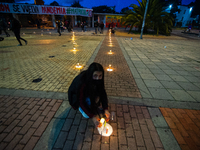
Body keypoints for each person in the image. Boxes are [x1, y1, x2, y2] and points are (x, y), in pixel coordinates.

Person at [68, 62, 110, 127]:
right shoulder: (82, 82)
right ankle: (80, 108)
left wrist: (106, 109)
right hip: (76, 97)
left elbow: (102, 92)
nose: (98, 78)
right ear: (91, 74)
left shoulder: (97, 80)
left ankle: (90, 102)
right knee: (87, 115)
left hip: (87, 92)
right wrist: (93, 117)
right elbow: (80, 100)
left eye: (100, 76)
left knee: (96, 102)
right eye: (95, 75)